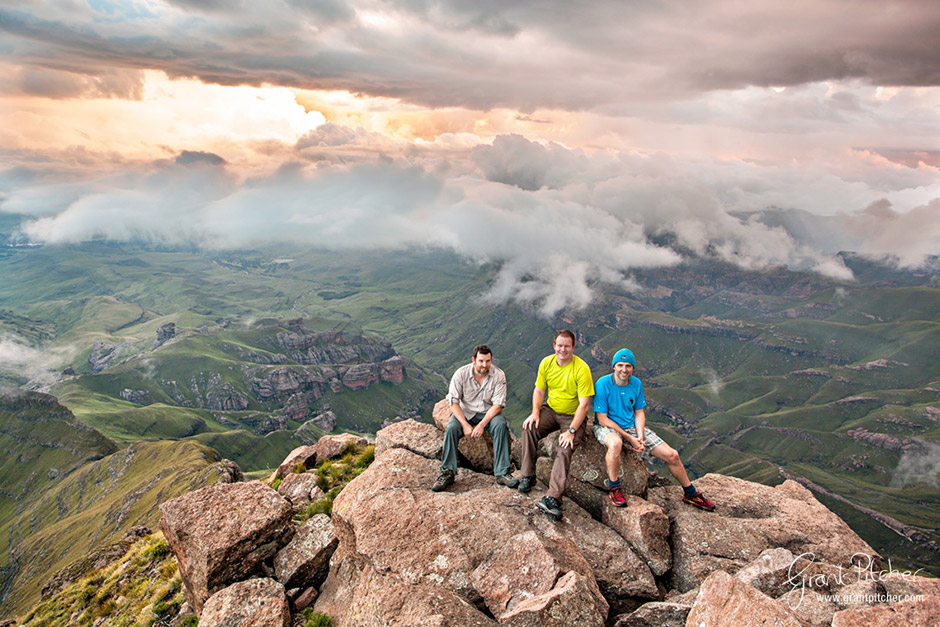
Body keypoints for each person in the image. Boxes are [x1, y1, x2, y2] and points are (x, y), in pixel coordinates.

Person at [594, 348, 715, 511]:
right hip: (607, 427)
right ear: (614, 366)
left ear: (632, 368)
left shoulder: (636, 384)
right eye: (620, 365)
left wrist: (640, 437)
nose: (624, 369)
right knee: (616, 444)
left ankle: (690, 493)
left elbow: (639, 413)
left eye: (628, 366)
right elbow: (602, 418)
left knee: (672, 455)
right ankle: (614, 488)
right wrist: (629, 438)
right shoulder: (603, 383)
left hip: (631, 427)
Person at [518, 329, 594, 520]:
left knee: (565, 446)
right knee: (529, 428)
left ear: (573, 347)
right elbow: (539, 390)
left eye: (567, 346)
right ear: (554, 346)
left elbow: (584, 405)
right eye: (559, 345)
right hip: (551, 410)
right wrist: (535, 413)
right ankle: (527, 475)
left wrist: (571, 431)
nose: (563, 349)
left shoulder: (581, 368)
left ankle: (553, 497)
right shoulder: (546, 363)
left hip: (572, 415)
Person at [432, 344, 517, 492]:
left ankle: (503, 472)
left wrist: (482, 425)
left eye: (488, 361)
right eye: (481, 361)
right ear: (474, 360)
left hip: (488, 413)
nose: (484, 365)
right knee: (451, 428)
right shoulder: (461, 374)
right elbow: (453, 403)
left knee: (500, 425)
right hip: (465, 412)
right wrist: (465, 425)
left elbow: (498, 405)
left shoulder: (498, 375)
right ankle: (447, 472)